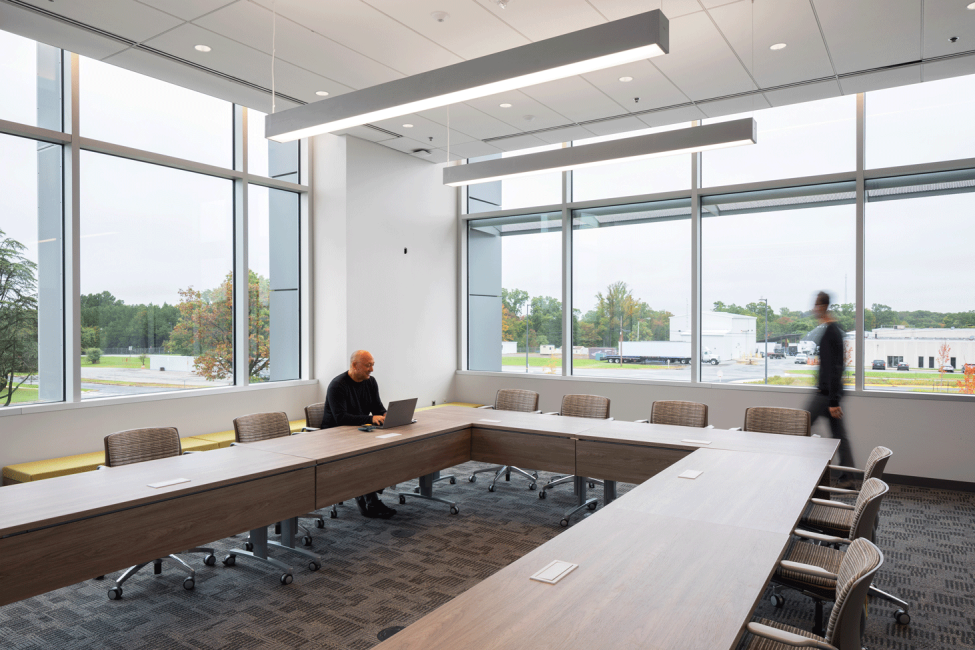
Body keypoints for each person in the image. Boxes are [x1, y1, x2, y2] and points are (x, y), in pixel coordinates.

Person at [320, 350, 396, 519]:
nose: (372, 370)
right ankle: (370, 502)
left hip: (359, 431)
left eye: (373, 365)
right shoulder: (337, 385)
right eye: (368, 365)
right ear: (354, 365)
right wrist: (371, 418)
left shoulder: (371, 382)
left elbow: (377, 407)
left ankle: (369, 490)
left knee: (385, 450)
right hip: (334, 435)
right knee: (366, 456)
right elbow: (341, 418)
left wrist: (386, 416)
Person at [807, 292, 855, 488]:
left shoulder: (830, 333)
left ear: (821, 307)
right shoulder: (833, 330)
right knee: (840, 437)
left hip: (826, 395)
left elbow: (835, 368)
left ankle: (796, 467)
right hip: (829, 394)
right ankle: (848, 476)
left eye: (815, 306)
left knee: (799, 425)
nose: (813, 310)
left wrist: (833, 401)